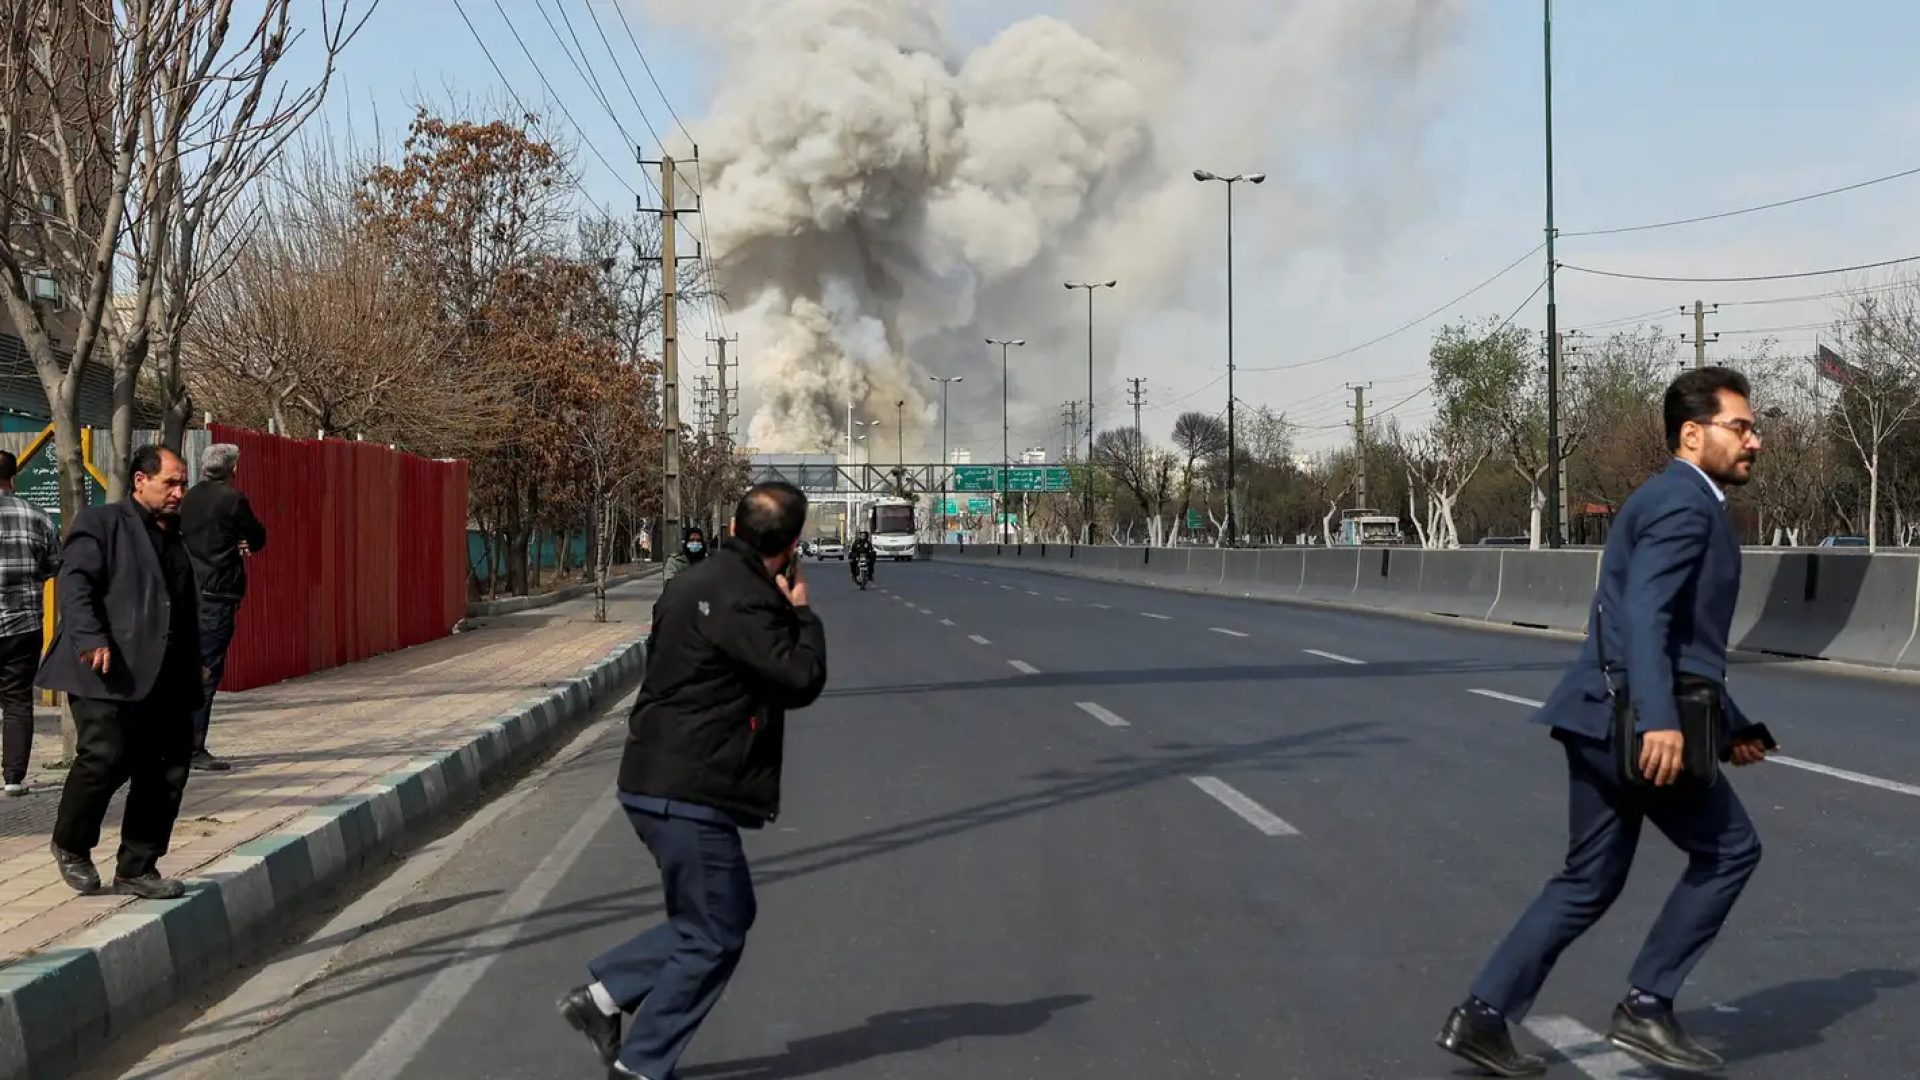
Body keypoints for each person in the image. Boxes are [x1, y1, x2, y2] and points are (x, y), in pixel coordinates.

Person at [1437, 366, 1774, 1077]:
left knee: (1587, 879)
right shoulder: (1689, 505)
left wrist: (1733, 726)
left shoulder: (1668, 497)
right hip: (1634, 722)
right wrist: (1658, 720)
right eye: (1740, 427)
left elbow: (1678, 640)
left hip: (1594, 716)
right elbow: (1643, 617)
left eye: (1753, 427)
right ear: (1693, 434)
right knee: (1729, 850)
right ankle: (1647, 1006)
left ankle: (1483, 1014)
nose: (1756, 440)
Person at [559, 481, 827, 1080]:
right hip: (690, 790)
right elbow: (799, 679)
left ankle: (603, 998)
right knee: (715, 935)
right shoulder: (751, 604)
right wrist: (802, 613)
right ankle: (640, 1064)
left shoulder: (689, 583)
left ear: (732, 530)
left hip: (650, 775)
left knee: (720, 916)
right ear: (791, 548)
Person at [41, 446, 202, 900]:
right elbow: (75, 584)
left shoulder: (177, 535)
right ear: (139, 481)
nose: (178, 492)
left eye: (182, 483)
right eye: (170, 482)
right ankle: (71, 843)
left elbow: (179, 603)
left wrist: (197, 658)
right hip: (106, 668)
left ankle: (138, 866)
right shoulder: (102, 523)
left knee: (167, 771)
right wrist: (91, 637)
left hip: (167, 675)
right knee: (105, 756)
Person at [180, 443, 267, 772]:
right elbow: (256, 535)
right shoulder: (232, 500)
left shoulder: (187, 498)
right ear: (233, 469)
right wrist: (245, 543)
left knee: (185, 666)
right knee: (206, 670)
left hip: (188, 590)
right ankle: (193, 747)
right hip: (218, 593)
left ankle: (177, 743)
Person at [0, 450, 59, 797]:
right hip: (23, 622)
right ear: (15, 477)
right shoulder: (36, 516)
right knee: (18, 700)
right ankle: (14, 778)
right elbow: (55, 562)